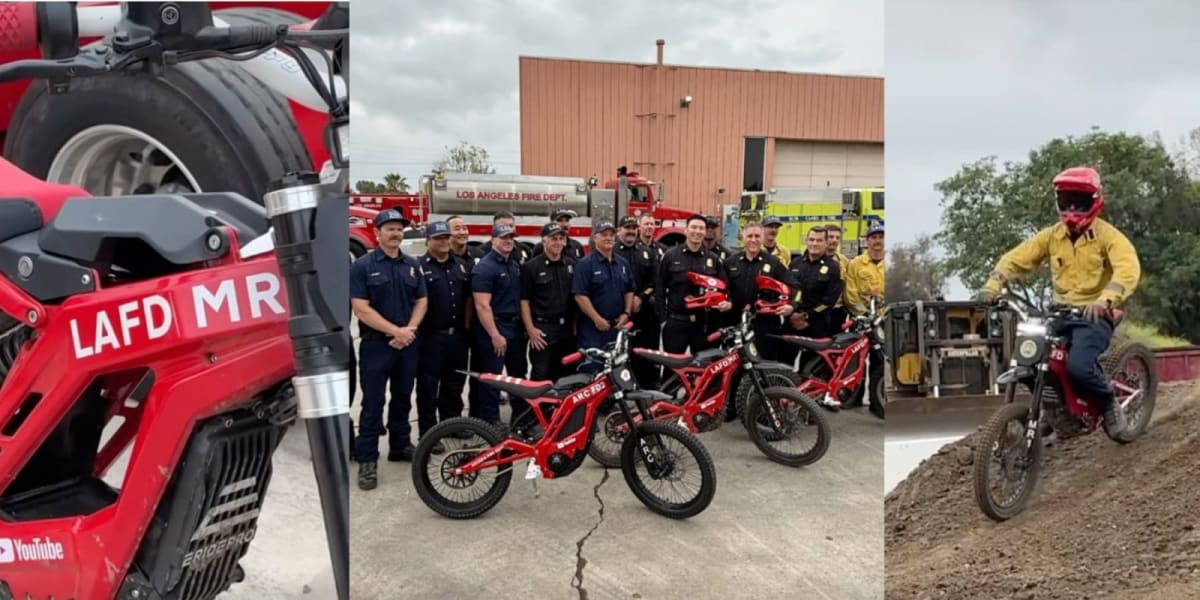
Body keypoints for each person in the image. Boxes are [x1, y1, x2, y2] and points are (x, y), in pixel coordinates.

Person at [982, 167, 1140, 436]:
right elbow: (1017, 258)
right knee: (1029, 360)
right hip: (1059, 315)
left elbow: (1128, 269)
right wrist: (994, 284)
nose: (1073, 209)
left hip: (1094, 317)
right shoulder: (1052, 236)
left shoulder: (1108, 237)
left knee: (1078, 367)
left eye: (1080, 202)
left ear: (1095, 201)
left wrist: (1106, 299)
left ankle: (1109, 405)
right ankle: (1054, 408)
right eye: (1067, 201)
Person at [350, 209, 427, 491]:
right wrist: (395, 332)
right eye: (390, 228)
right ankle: (368, 458)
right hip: (375, 346)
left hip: (407, 344)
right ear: (377, 232)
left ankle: (400, 444)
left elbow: (422, 301)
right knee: (372, 403)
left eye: (399, 229)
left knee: (403, 397)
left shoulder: (411, 264)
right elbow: (360, 308)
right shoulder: (362, 266)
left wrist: (409, 331)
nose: (396, 233)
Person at [414, 221, 473, 456]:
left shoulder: (460, 266)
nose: (443, 242)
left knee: (454, 384)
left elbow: (468, 299)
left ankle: (451, 424)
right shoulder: (418, 267)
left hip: (457, 336)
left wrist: (467, 327)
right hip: (431, 337)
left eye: (446, 238)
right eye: (438, 238)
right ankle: (428, 433)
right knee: (428, 387)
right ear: (428, 240)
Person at [470, 223, 528, 427]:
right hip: (494, 328)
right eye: (504, 237)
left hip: (515, 328)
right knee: (493, 379)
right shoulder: (485, 268)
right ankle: (490, 422)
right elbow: (482, 305)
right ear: (493, 240)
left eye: (511, 237)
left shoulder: (513, 265)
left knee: (518, 377)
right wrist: (495, 335)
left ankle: (520, 419)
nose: (508, 241)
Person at [780, 227, 844, 396]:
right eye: (812, 240)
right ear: (806, 241)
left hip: (817, 324)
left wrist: (807, 316)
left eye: (819, 240)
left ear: (826, 243)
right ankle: (782, 397)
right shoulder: (795, 264)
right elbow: (788, 290)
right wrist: (793, 313)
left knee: (810, 368)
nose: (815, 244)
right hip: (791, 322)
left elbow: (829, 301)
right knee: (784, 363)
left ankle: (808, 405)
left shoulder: (833, 267)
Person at [657, 214, 732, 354]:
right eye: (694, 227)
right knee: (672, 370)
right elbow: (660, 289)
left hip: (704, 324)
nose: (697, 231)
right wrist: (663, 320)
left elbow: (725, 288)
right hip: (676, 323)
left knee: (703, 369)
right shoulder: (670, 256)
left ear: (704, 232)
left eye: (701, 228)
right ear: (686, 230)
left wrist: (727, 302)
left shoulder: (713, 259)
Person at [725, 222, 795, 366]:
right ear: (743, 238)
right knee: (735, 368)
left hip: (765, 326)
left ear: (762, 238)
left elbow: (796, 287)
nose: (753, 240)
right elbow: (724, 290)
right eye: (750, 236)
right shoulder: (730, 262)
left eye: (757, 236)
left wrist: (792, 306)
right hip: (737, 324)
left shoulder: (774, 262)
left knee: (766, 367)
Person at [521, 222, 578, 386]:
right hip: (543, 330)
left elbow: (575, 298)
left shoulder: (571, 265)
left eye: (561, 239)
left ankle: (560, 411)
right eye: (554, 239)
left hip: (566, 329)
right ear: (544, 241)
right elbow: (524, 301)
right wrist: (530, 329)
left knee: (566, 374)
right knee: (541, 374)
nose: (558, 243)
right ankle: (539, 411)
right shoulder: (531, 267)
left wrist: (575, 325)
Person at [573, 220, 634, 366]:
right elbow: (580, 296)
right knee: (592, 372)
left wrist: (626, 313)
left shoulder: (622, 263)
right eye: (604, 235)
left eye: (611, 235)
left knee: (617, 371)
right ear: (594, 237)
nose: (608, 238)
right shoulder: (585, 264)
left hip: (617, 328)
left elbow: (630, 290)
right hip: (593, 330)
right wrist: (596, 319)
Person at [616, 216, 660, 387]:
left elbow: (654, 281)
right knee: (621, 353)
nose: (631, 231)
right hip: (621, 312)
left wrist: (641, 297)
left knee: (645, 351)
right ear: (620, 230)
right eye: (627, 228)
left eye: (634, 228)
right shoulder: (613, 252)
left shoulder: (646, 252)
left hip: (644, 311)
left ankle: (646, 387)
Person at [844, 223, 885, 316]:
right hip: (865, 319)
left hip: (890, 316)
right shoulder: (855, 264)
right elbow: (851, 296)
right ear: (867, 241)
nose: (877, 240)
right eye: (874, 237)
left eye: (881, 237)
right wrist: (864, 314)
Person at [824, 223, 851, 331]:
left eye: (837, 238)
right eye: (831, 237)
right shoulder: (814, 259)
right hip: (818, 312)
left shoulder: (844, 261)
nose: (834, 240)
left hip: (837, 311)